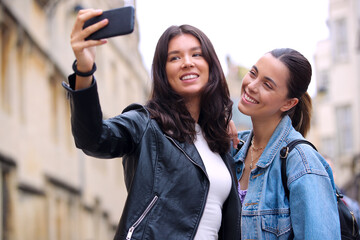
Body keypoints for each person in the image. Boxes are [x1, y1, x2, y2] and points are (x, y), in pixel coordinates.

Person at [62, 9, 241, 240]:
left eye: (196, 54)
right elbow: (93, 139)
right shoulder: (146, 124)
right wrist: (84, 70)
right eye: (174, 58)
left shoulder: (220, 141)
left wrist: (222, 123)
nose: (187, 63)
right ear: (163, 72)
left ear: (211, 65)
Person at [232, 48, 341, 239]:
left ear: (288, 103)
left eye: (267, 85)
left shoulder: (303, 164)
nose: (251, 86)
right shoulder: (233, 148)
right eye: (253, 73)